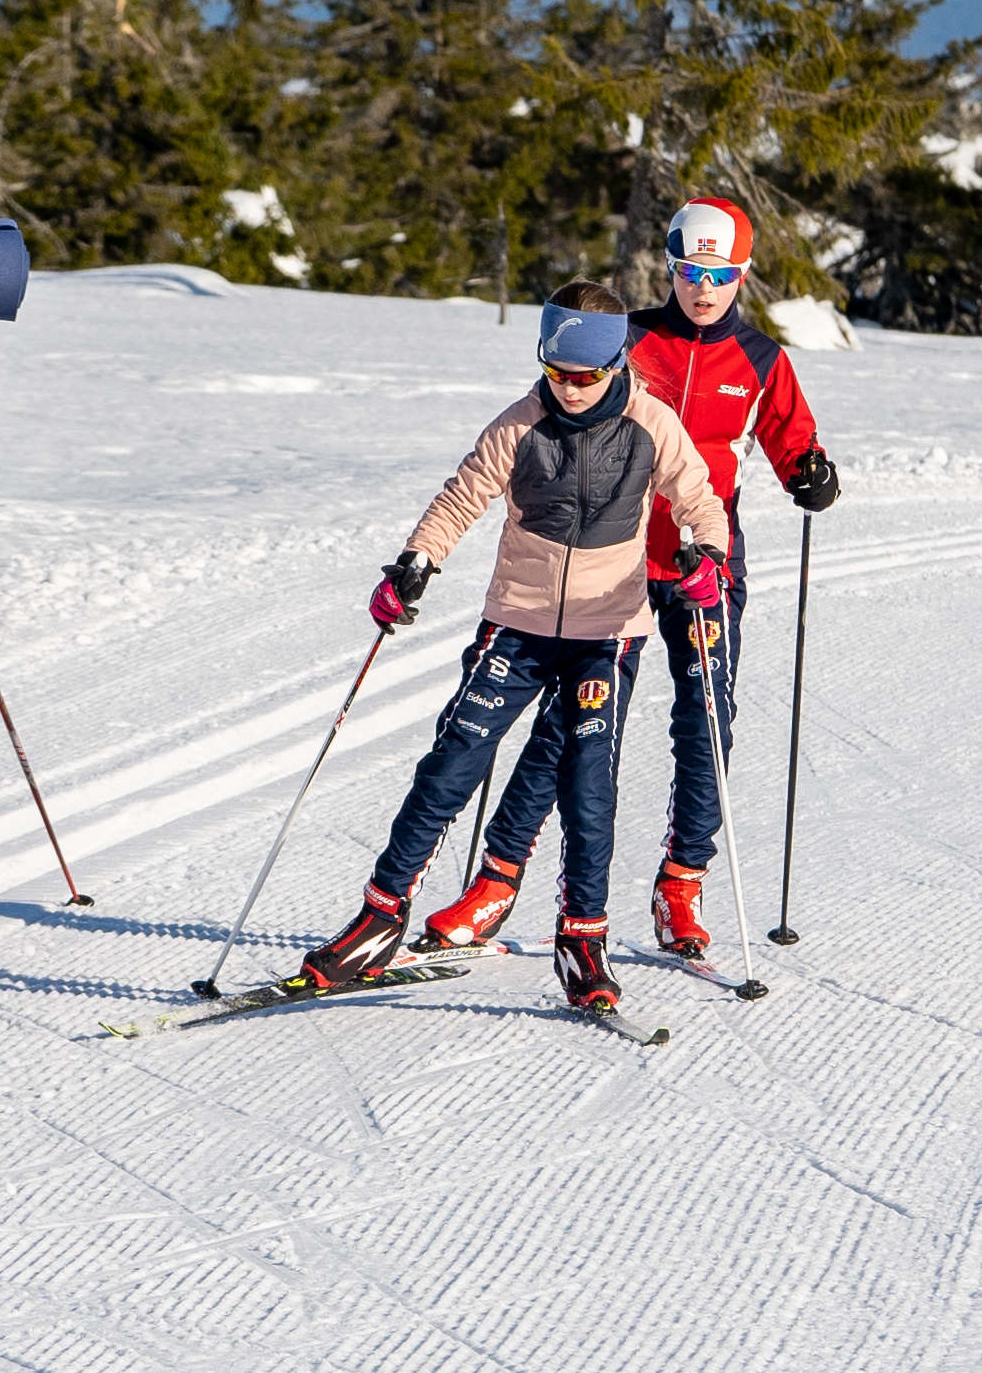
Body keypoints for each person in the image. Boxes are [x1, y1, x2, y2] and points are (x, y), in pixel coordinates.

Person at [290, 285, 733, 1016]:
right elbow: (461, 498)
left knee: (589, 787)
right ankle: (380, 914)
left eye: (587, 376)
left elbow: (699, 495)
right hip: (519, 623)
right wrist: (415, 563)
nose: (571, 388)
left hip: (605, 632)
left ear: (617, 362)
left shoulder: (652, 424)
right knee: (453, 760)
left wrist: (707, 556)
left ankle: (582, 938)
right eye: (558, 372)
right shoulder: (521, 424)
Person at [425, 195, 840, 958]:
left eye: (719, 273)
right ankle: (497, 879)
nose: (702, 287)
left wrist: (811, 472)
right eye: (689, 269)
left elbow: (793, 446)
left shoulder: (762, 362)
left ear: (741, 275)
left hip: (702, 567)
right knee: (568, 727)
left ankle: (681, 882)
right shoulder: (632, 339)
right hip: (608, 563)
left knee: (706, 720)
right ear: (671, 266)